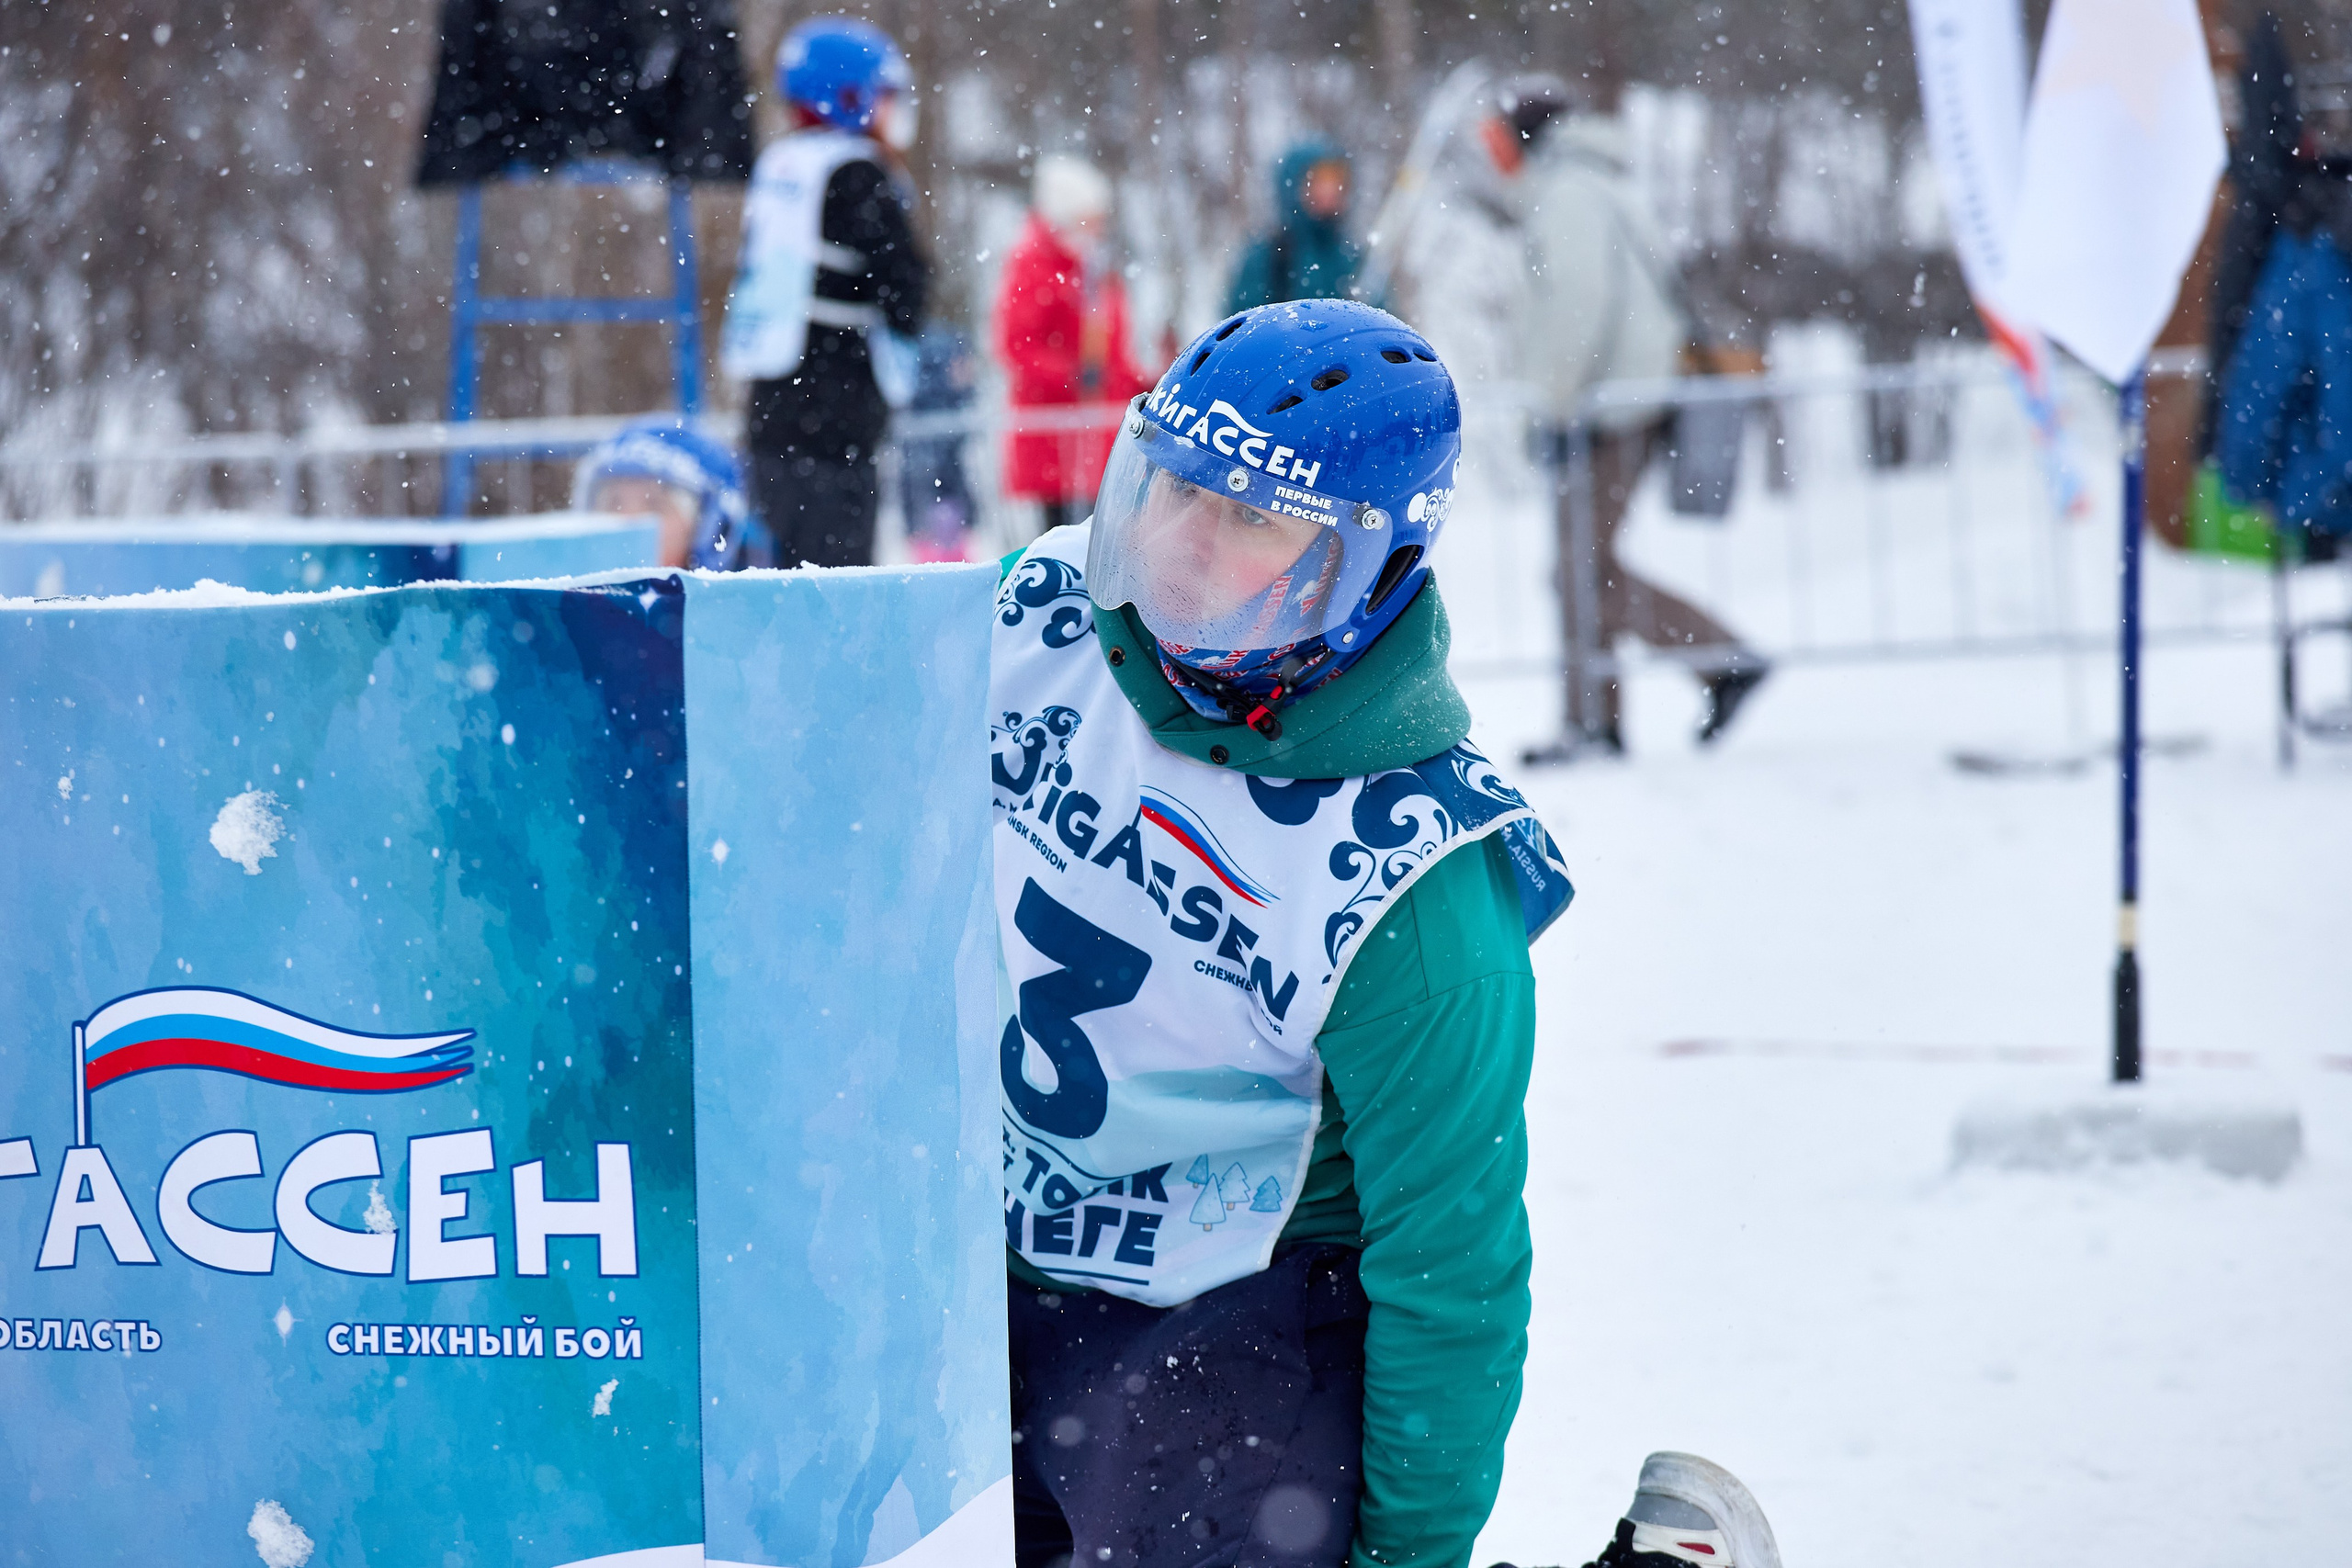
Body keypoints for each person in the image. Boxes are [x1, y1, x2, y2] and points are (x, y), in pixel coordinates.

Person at [991, 299, 1589, 1568]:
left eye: (1255, 516)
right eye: (1169, 489)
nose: (1181, 545)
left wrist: (1408, 1551)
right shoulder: (1033, 622)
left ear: (1366, 567)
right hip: (974, 1239)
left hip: (1227, 1317)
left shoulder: (1414, 877)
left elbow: (1453, 1262)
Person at [1489, 76, 1770, 761]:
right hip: (1628, 393)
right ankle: (1599, 718)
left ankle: (1714, 662)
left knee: (1578, 571)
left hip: (1609, 403)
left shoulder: (1569, 193)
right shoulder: (1598, 183)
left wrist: (1552, 400)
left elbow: (1580, 301)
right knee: (1587, 565)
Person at [720, 16, 928, 568]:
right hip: (837, 415)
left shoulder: (779, 165)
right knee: (836, 578)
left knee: (772, 564)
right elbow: (907, 290)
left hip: (771, 404)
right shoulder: (859, 173)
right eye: (885, 96)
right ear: (850, 97)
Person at [995, 154, 1155, 537]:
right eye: (1090, 219)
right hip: (1055, 437)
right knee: (1061, 539)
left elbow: (1112, 352)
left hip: (1095, 435)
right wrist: (1072, 376)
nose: (1098, 229)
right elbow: (1017, 347)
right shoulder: (1035, 267)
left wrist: (1143, 384)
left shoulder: (1094, 270)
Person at [571, 417, 771, 570]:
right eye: (613, 503)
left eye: (655, 506)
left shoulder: (761, 617)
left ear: (712, 530)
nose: (627, 519)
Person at [1226, 141, 1362, 311]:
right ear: (1295, 186)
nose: (1330, 190)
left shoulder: (1353, 258)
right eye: (1320, 181)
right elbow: (1242, 327)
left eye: (1337, 180)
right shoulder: (1270, 256)